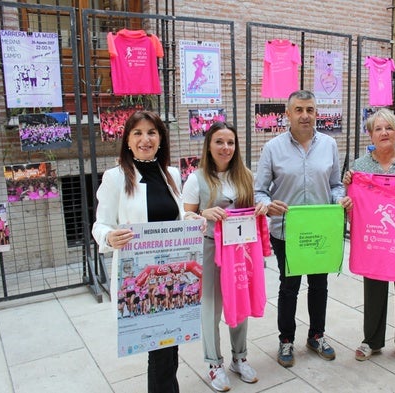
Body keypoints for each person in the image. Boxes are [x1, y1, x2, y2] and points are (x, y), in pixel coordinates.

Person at [254, 90, 353, 368]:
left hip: (321, 229)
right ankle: (286, 340)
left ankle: (316, 335)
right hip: (287, 230)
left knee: (319, 285)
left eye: (310, 109)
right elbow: (259, 191)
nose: (305, 115)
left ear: (316, 113)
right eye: (298, 110)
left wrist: (339, 198)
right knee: (289, 287)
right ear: (287, 114)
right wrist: (269, 205)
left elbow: (335, 184)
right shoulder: (273, 148)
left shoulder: (330, 145)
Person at [92, 110, 184, 393]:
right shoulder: (116, 177)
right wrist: (110, 237)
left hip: (173, 273)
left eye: (152, 132)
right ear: (128, 141)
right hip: (141, 278)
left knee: (171, 344)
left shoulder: (172, 175)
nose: (146, 139)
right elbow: (100, 225)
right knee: (158, 350)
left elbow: (175, 219)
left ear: (161, 138)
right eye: (138, 133)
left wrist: (190, 222)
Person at [182, 121, 267, 392]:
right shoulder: (196, 179)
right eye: (219, 141)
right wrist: (202, 215)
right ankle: (213, 364)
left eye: (230, 142)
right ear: (209, 145)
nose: (225, 147)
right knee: (211, 308)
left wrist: (262, 206)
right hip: (208, 249)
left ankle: (239, 358)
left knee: (239, 301)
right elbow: (185, 217)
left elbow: (255, 206)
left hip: (239, 249)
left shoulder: (246, 176)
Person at [343, 107, 395, 365]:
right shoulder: (359, 166)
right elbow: (353, 208)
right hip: (376, 238)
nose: (384, 132)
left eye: (389, 127)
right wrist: (348, 189)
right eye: (378, 128)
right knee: (374, 289)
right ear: (370, 135)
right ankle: (372, 340)